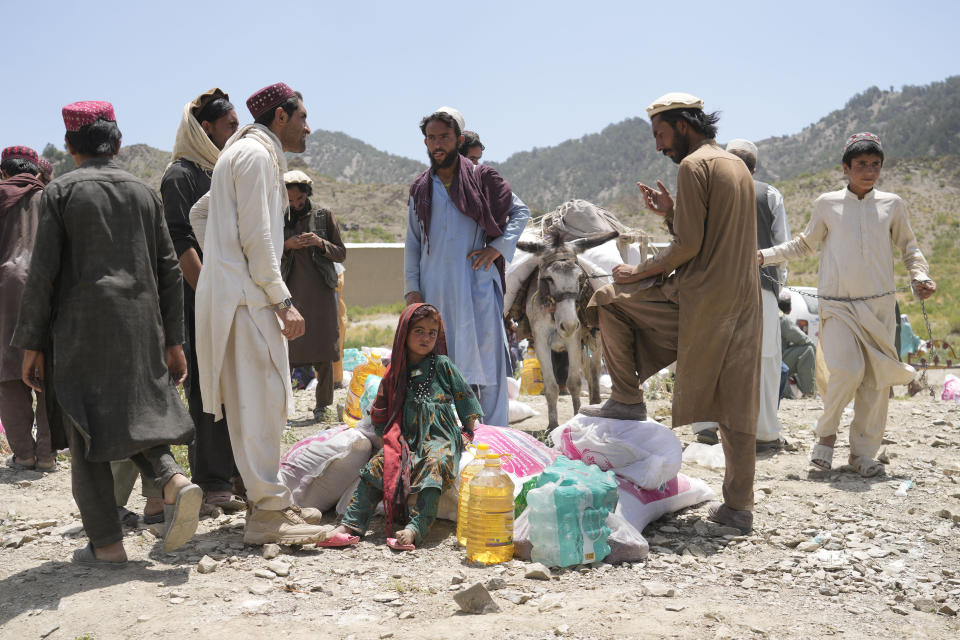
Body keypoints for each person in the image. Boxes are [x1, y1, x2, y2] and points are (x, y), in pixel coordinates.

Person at [12, 101, 202, 564]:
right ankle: (173, 481)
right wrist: (174, 340)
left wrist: (31, 344)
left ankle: (107, 546)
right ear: (116, 143)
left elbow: (43, 275)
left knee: (85, 431)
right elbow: (169, 270)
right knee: (136, 415)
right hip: (141, 325)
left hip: (81, 330)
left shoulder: (60, 193)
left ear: (71, 146)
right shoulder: (143, 192)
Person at [580, 93, 761, 533]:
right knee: (737, 403)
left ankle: (626, 398)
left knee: (607, 303)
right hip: (742, 301)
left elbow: (689, 247)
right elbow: (710, 231)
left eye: (661, 135)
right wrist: (671, 212)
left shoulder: (693, 165)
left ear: (682, 125)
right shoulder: (734, 164)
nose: (660, 147)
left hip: (699, 297)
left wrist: (636, 271)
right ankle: (738, 507)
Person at [193, 83, 329, 545]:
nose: (308, 127)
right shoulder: (252, 156)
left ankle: (267, 503)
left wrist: (220, 265)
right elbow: (259, 238)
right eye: (303, 117)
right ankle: (267, 515)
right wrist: (281, 299)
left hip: (241, 296)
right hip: (247, 302)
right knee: (260, 404)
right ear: (280, 118)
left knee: (263, 403)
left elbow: (202, 213)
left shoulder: (247, 153)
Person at [760, 132, 935, 476]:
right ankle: (825, 437)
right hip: (837, 306)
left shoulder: (892, 204)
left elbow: (910, 247)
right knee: (848, 370)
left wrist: (920, 275)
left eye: (875, 165)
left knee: (875, 382)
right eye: (861, 165)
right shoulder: (827, 203)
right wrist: (762, 256)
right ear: (845, 168)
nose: (869, 171)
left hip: (880, 309)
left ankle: (862, 454)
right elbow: (804, 244)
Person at [404, 107, 530, 427]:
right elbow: (414, 243)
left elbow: (520, 213)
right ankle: (450, 438)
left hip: (476, 287)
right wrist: (412, 289)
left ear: (457, 140)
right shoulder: (421, 188)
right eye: (431, 138)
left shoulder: (481, 178)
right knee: (439, 364)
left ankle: (495, 441)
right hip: (435, 291)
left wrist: (496, 248)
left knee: (487, 367)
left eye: (444, 137)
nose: (437, 144)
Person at [324, 303, 482, 550]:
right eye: (419, 331)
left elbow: (465, 397)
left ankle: (415, 528)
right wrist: (389, 439)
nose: (426, 338)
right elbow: (380, 411)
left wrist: (468, 431)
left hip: (439, 437)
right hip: (405, 437)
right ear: (404, 333)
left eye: (432, 332)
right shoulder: (395, 372)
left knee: (435, 464)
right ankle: (351, 524)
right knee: (379, 465)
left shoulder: (442, 365)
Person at [160, 88, 245, 516]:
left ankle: (235, 473)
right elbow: (180, 240)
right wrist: (210, 293)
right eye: (230, 126)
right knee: (207, 385)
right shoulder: (180, 176)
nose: (236, 133)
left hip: (232, 296)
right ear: (205, 128)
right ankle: (211, 480)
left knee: (235, 382)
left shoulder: (221, 172)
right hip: (201, 298)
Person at [692, 139, 791, 451]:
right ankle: (764, 433)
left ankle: (707, 426)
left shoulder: (708, 192)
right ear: (755, 167)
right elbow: (781, 246)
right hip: (760, 287)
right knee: (765, 358)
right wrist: (781, 284)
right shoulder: (770, 194)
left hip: (714, 290)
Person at [0, 146, 54, 472]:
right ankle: (47, 455)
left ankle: (24, 455)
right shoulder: (51, 197)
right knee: (48, 369)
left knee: (7, 372)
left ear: (3, 173)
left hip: (5, 290)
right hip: (47, 288)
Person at [282, 169, 346, 420]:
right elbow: (266, 252)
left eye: (299, 199)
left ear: (307, 194)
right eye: (290, 201)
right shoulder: (278, 217)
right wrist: (287, 245)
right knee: (287, 350)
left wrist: (319, 243)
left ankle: (322, 407)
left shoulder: (323, 215)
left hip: (321, 294)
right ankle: (284, 408)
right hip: (291, 294)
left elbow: (340, 253)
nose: (295, 205)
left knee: (323, 349)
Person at [777, 292, 816, 398]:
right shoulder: (781, 318)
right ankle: (809, 391)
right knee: (808, 350)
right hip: (777, 360)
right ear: (789, 308)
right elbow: (803, 339)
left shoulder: (769, 312)